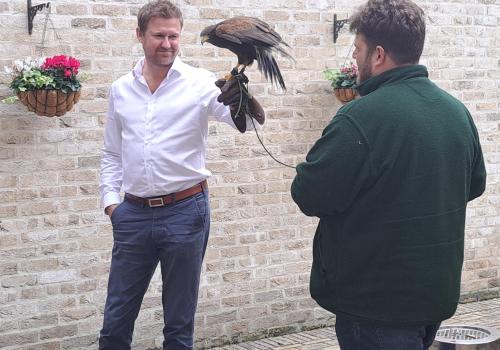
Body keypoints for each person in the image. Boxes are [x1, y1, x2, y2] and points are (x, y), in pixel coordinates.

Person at [290, 0, 487, 349]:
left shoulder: (360, 118)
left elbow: (309, 194)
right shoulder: (457, 112)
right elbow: (473, 185)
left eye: (359, 49)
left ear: (378, 55)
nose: (355, 59)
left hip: (375, 306)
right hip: (433, 298)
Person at [98, 1, 264, 349]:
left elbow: (246, 124)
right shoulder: (120, 89)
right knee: (114, 324)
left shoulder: (201, 82)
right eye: (159, 35)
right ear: (140, 34)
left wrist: (241, 97)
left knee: (178, 326)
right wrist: (112, 205)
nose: (167, 44)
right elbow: (111, 152)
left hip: (185, 212)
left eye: (174, 36)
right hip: (133, 215)